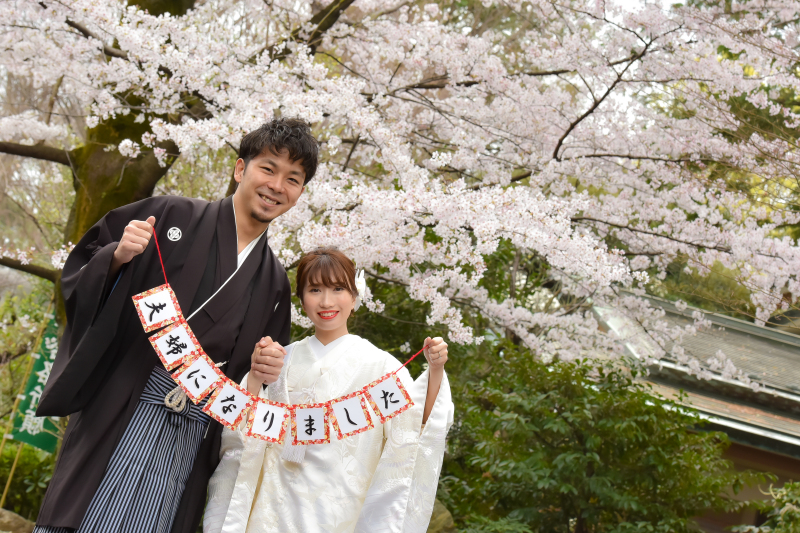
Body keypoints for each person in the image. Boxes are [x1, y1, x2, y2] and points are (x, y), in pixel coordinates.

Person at [32, 118, 318, 533]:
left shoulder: (274, 281)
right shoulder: (168, 215)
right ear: (241, 169)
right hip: (124, 406)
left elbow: (249, 391)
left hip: (193, 433)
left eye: (292, 178)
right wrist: (117, 256)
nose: (277, 185)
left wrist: (263, 372)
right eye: (268, 168)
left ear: (299, 193)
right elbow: (82, 268)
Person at [203, 247, 454, 533]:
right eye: (314, 289)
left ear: (354, 296)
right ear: (301, 299)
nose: (326, 301)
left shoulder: (381, 365)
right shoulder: (279, 359)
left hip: (342, 506)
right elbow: (242, 428)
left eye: (337, 288)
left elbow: (415, 428)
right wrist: (256, 379)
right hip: (273, 506)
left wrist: (435, 371)